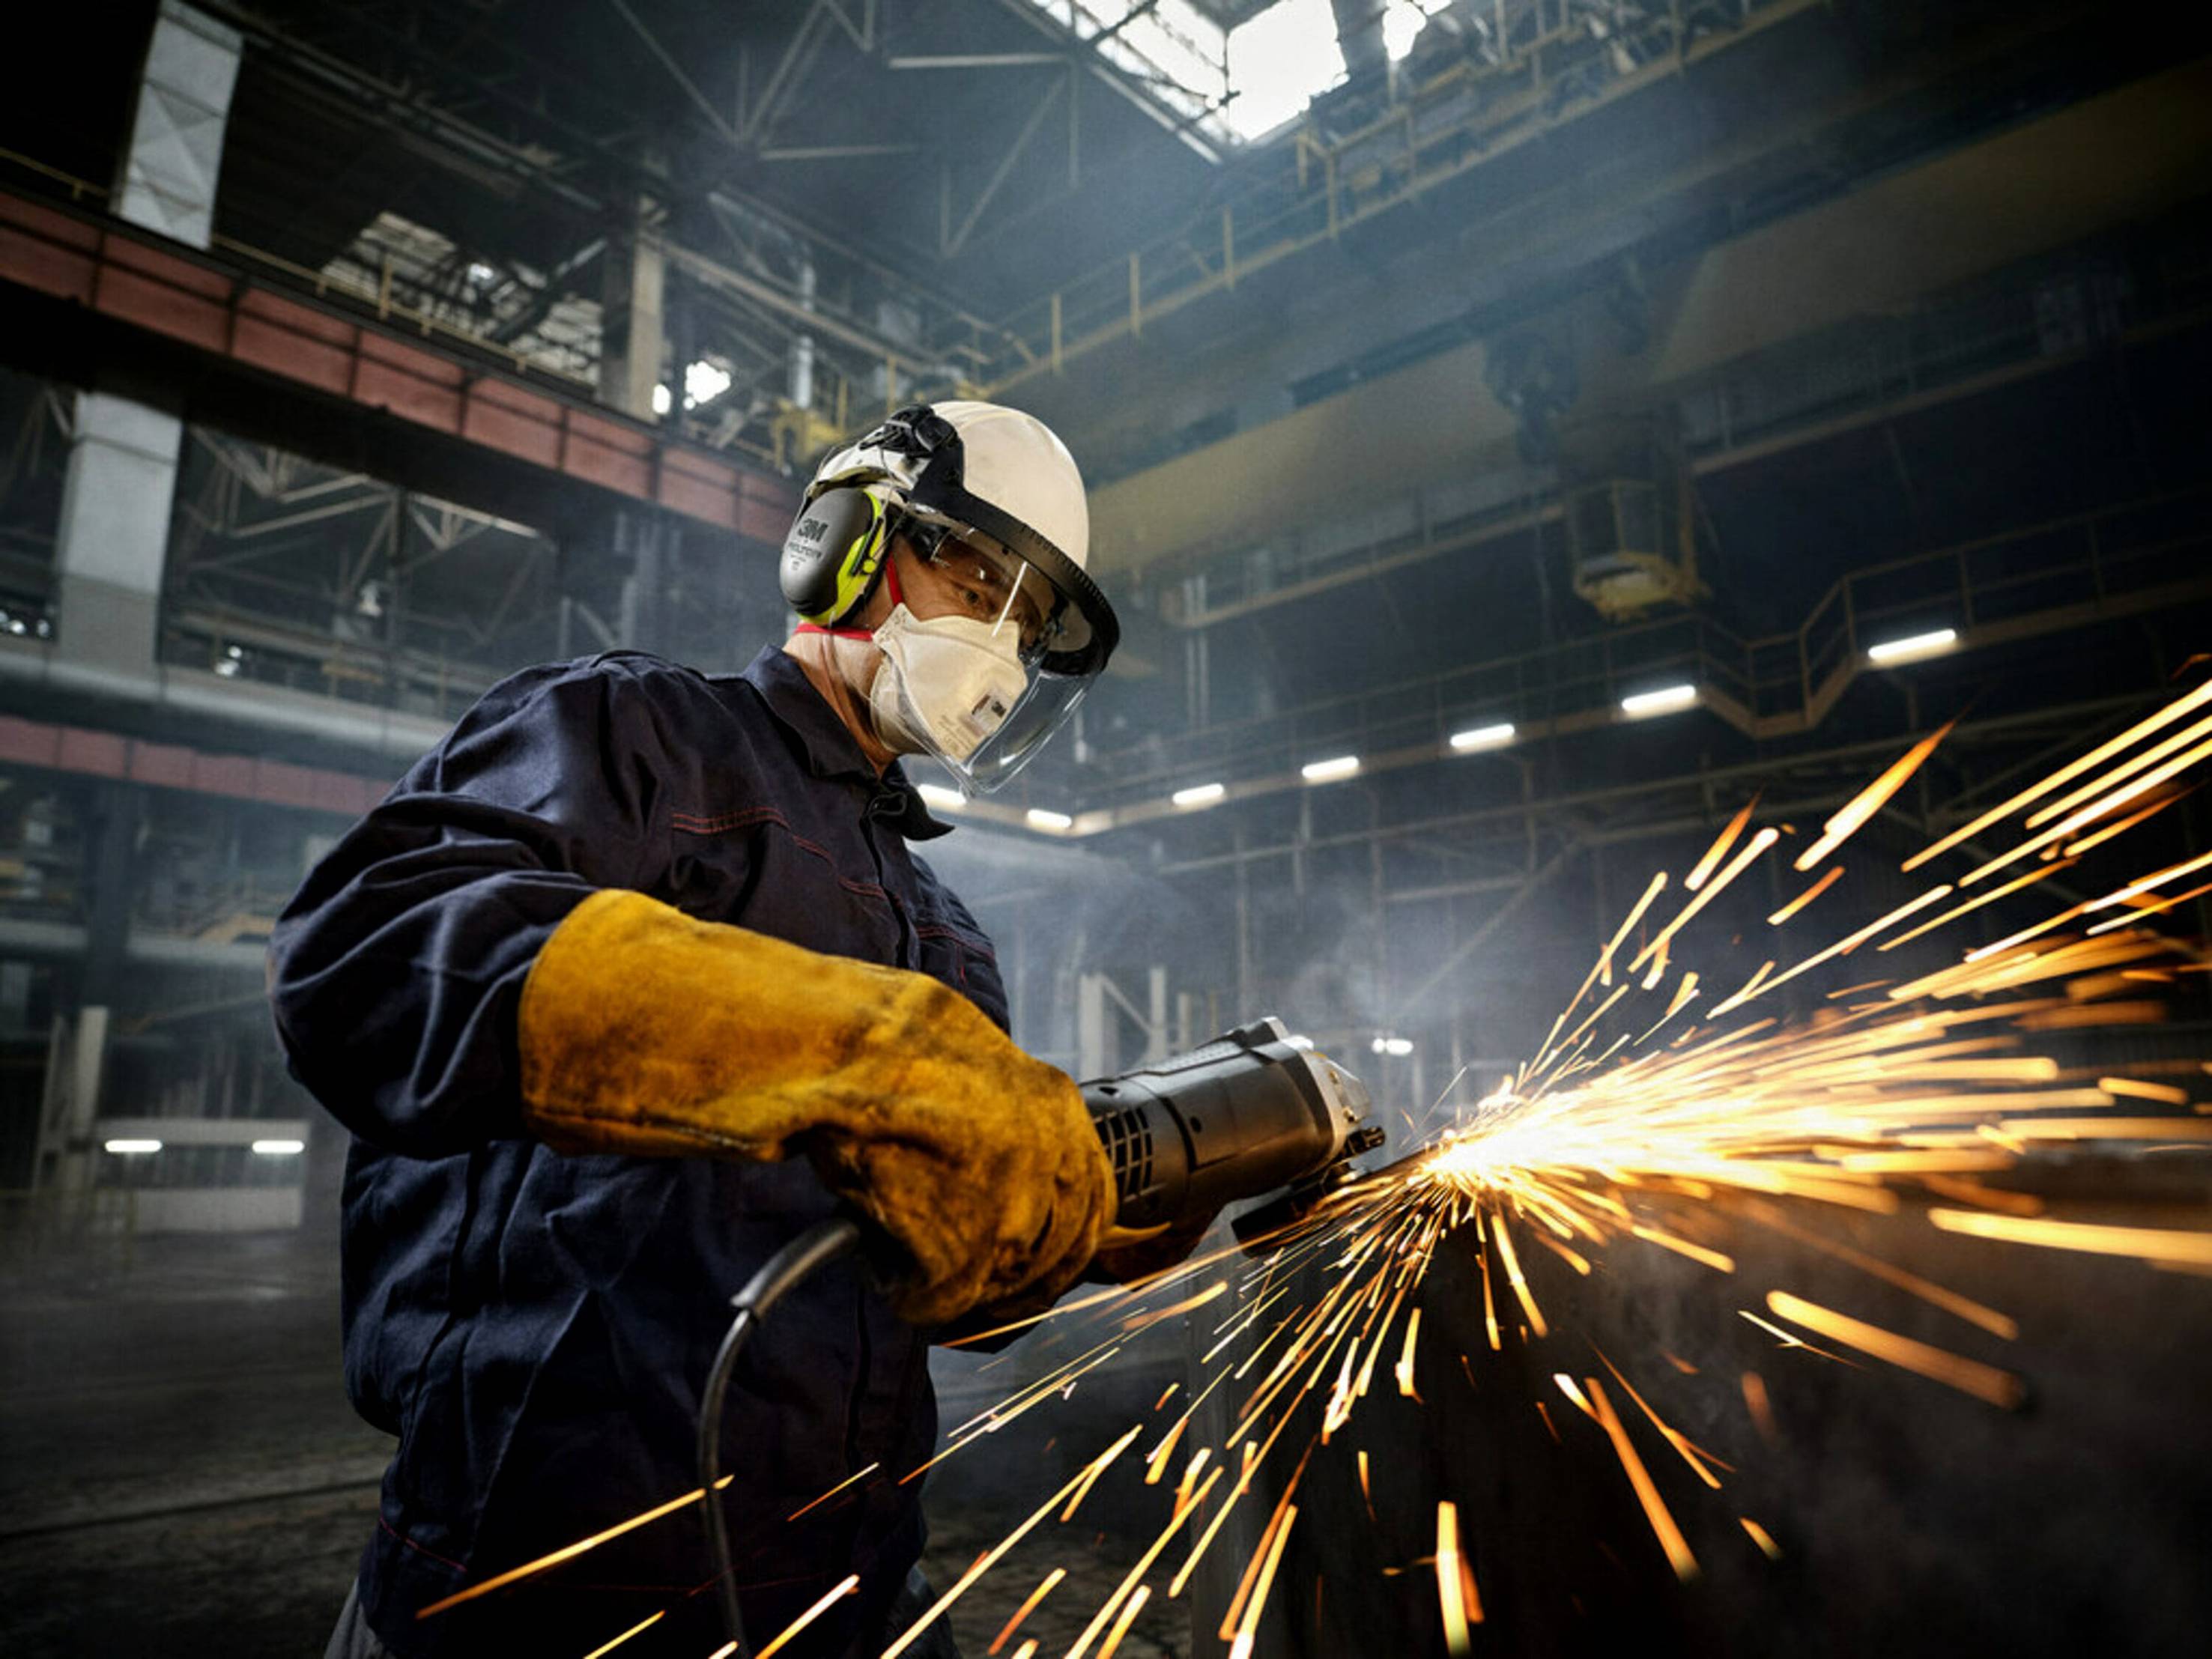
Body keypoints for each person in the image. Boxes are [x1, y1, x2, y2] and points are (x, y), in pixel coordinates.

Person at [272, 401, 1124, 1659]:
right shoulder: (636, 737)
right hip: (539, 1592)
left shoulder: (945, 933)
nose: (999, 643)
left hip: (844, 1593)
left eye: (1030, 620)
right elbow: (371, 953)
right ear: (845, 545)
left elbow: (936, 1293)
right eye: (979, 580)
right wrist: (852, 1048)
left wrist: (1086, 1214)